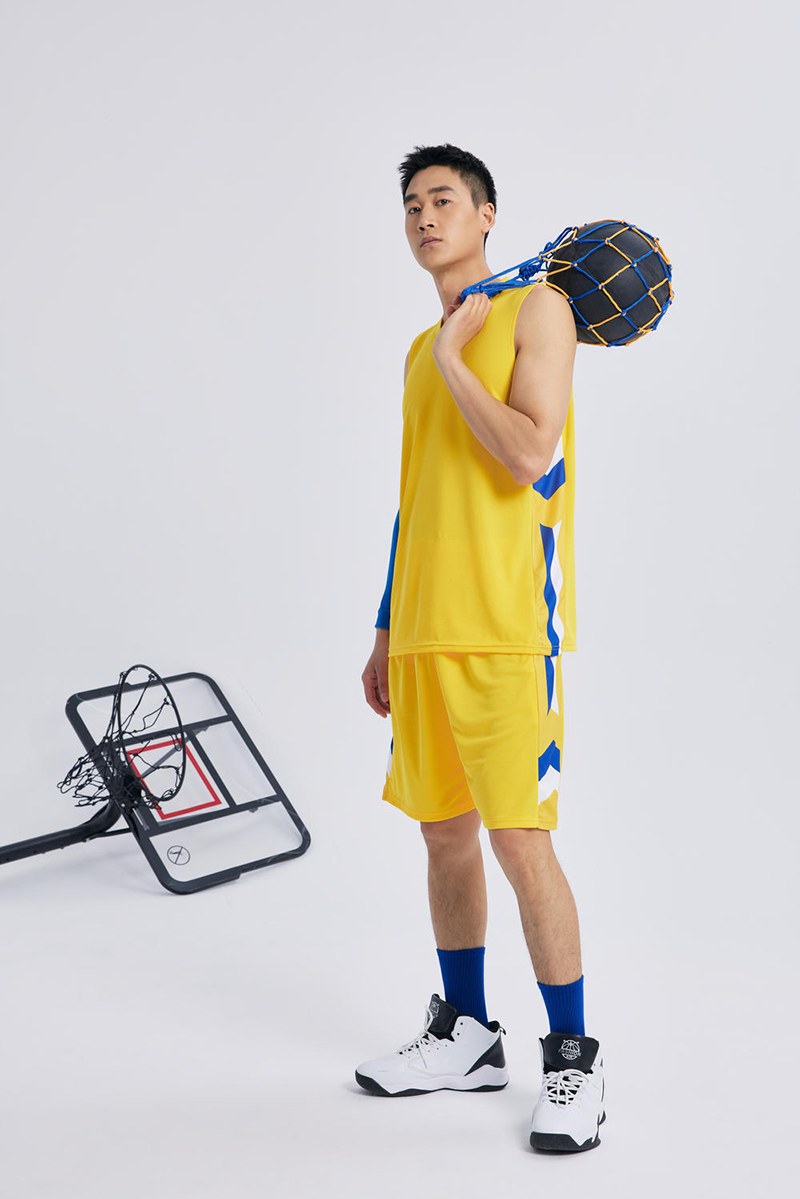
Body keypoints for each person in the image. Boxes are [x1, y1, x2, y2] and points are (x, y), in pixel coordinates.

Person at [357, 143, 606, 1154]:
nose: (425, 217)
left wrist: (461, 357)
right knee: (443, 836)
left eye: (444, 200)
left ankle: (573, 1060)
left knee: (520, 841)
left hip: (506, 631)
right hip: (424, 631)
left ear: (487, 214)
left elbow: (527, 454)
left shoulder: (537, 311)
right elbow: (415, 498)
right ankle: (466, 1032)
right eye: (412, 205)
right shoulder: (422, 348)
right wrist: (385, 626)